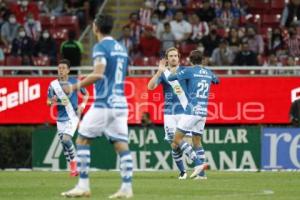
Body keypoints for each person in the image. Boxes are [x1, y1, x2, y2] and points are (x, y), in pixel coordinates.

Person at [61, 14, 133, 198]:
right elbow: (126, 73)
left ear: (96, 28)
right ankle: (127, 188)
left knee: (82, 140)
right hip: (120, 103)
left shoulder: (100, 47)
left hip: (104, 103)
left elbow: (99, 73)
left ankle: (83, 185)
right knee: (121, 144)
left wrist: (74, 86)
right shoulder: (122, 48)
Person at [167, 50, 219, 179]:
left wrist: (175, 70)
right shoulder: (208, 72)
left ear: (190, 60)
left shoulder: (189, 71)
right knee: (197, 142)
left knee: (177, 139)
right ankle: (201, 175)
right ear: (203, 60)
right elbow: (217, 81)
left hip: (191, 110)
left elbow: (170, 78)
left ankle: (198, 164)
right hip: (203, 111)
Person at [147, 47, 190, 179]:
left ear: (179, 57)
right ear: (166, 58)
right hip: (169, 113)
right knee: (174, 145)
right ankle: (183, 172)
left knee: (187, 141)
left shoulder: (185, 71)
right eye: (170, 56)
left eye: (175, 56)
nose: (173, 58)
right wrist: (158, 72)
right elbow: (150, 87)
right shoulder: (163, 74)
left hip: (184, 111)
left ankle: (198, 166)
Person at [47, 59, 89, 177]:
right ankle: (74, 169)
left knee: (66, 139)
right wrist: (52, 101)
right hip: (60, 119)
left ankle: (75, 164)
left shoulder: (74, 82)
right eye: (59, 68)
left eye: (63, 68)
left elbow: (86, 94)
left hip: (73, 116)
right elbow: (48, 102)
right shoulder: (53, 85)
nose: (61, 70)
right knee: (65, 145)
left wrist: (83, 105)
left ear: (68, 70)